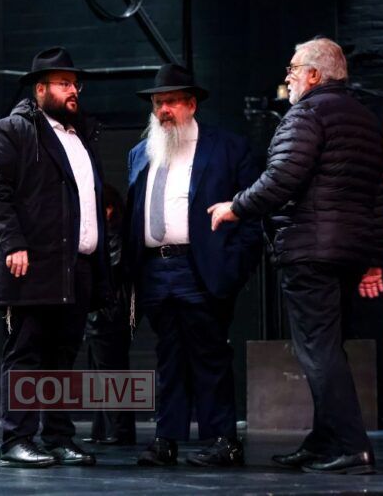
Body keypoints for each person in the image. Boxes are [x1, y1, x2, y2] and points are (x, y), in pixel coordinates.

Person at [210, 37, 383, 475]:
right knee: (327, 348)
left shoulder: (307, 114)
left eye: (293, 69)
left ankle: (352, 447)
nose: (288, 77)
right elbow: (378, 197)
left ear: (313, 74)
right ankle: (324, 440)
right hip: (348, 254)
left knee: (317, 351)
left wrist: (236, 206)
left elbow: (282, 177)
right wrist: (373, 259)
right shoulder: (365, 120)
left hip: (311, 251)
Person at [0, 46, 110, 468]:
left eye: (75, 84)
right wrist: (13, 243)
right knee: (26, 352)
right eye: (64, 83)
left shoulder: (80, 136)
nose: (73, 91)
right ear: (40, 88)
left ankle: (58, 437)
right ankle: (16, 439)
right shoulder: (10, 130)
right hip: (32, 264)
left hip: (77, 266)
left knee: (62, 356)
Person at [124, 64, 262, 467]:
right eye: (157, 103)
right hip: (155, 270)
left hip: (201, 268)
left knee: (210, 355)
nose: (162, 110)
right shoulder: (140, 153)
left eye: (170, 102)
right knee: (168, 358)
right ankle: (166, 439)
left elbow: (252, 216)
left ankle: (223, 440)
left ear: (191, 104)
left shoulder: (227, 147)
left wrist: (234, 268)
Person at [83, 184, 136, 446]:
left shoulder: (114, 235)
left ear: (109, 209)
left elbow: (113, 269)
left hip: (108, 315)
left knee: (110, 373)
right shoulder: (110, 235)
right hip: (103, 315)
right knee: (101, 374)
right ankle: (103, 430)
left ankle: (119, 430)